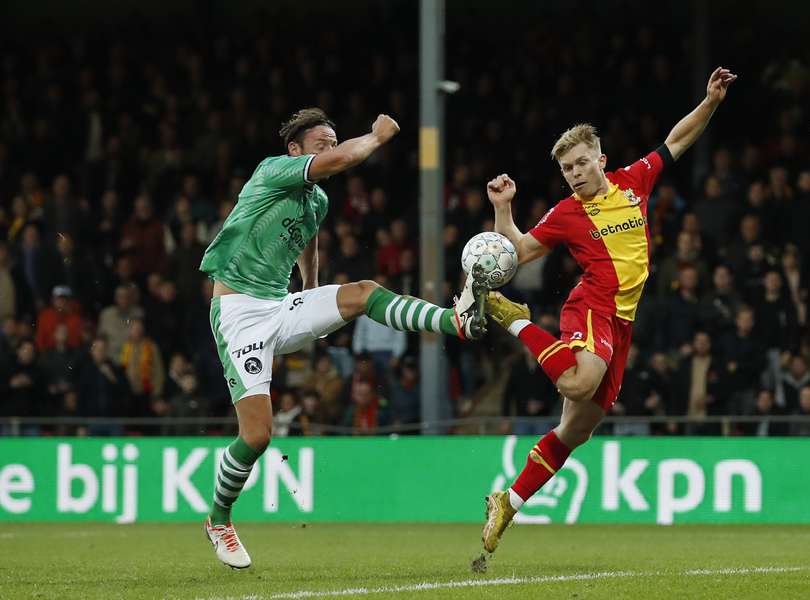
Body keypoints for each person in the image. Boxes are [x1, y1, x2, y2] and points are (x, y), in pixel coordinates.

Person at [198, 108, 489, 568]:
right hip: (238, 313)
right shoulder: (272, 171)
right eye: (321, 143)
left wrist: (311, 290)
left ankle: (453, 321)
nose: (329, 149)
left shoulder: (317, 202)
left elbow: (307, 237)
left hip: (278, 306)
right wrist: (373, 138)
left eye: (334, 141)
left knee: (363, 293)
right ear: (295, 151)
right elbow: (338, 163)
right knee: (256, 435)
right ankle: (218, 519)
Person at [481, 66, 736, 554]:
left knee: (575, 430)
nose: (574, 175)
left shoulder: (634, 181)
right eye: (566, 170)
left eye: (580, 164)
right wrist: (503, 209)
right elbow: (515, 252)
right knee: (577, 381)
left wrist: (711, 102)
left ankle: (507, 500)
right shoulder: (566, 214)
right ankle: (515, 318)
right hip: (591, 306)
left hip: (624, 320)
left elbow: (675, 141)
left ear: (600, 159)